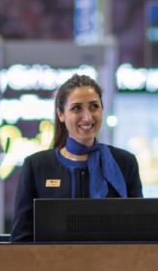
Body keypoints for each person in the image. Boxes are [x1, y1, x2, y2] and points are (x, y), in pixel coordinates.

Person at [10, 74, 143, 241]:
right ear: (61, 114)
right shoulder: (37, 166)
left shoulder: (125, 162)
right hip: (52, 265)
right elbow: (21, 238)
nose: (87, 117)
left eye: (94, 106)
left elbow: (139, 232)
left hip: (111, 265)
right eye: (76, 108)